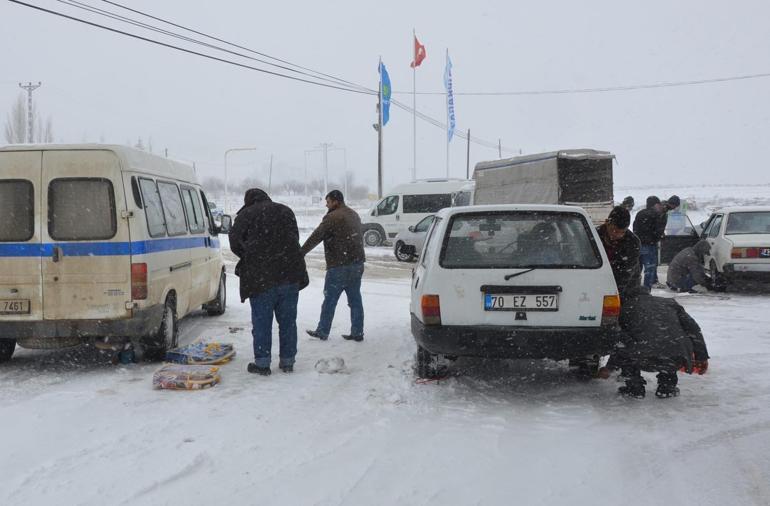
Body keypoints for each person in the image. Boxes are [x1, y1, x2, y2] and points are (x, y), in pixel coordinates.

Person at [229, 188, 308, 376]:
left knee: (262, 322)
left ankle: (263, 364)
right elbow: (294, 238)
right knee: (288, 321)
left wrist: (251, 256)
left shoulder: (246, 215)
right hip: (290, 274)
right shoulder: (285, 210)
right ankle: (288, 361)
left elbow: (234, 243)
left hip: (261, 278)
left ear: (248, 200)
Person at [302, 190, 366, 341]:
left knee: (330, 300)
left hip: (339, 264)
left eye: (328, 201)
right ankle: (357, 332)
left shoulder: (333, 217)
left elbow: (317, 236)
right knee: (355, 300)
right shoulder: (353, 214)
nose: (326, 204)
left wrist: (301, 252)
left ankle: (322, 331)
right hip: (357, 263)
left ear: (336, 201)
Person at [633, 196, 666, 289]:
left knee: (637, 269)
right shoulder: (655, 215)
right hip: (649, 246)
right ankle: (647, 290)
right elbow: (658, 231)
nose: (659, 206)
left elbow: (635, 228)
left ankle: (635, 288)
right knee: (649, 270)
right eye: (658, 204)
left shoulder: (640, 213)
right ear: (655, 205)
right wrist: (659, 237)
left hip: (638, 245)